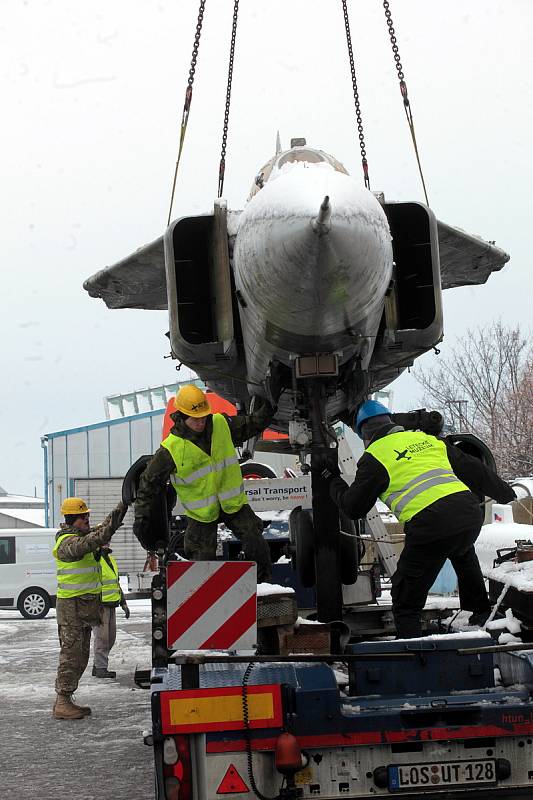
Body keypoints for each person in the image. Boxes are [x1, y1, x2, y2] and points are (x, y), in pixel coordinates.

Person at [322, 400, 516, 639]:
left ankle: (412, 652)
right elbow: (474, 468)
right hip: (468, 514)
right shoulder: (429, 441)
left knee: (406, 599)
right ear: (391, 422)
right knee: (462, 552)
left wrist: (333, 479)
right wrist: (505, 492)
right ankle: (480, 615)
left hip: (430, 525)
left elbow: (353, 508)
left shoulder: (374, 457)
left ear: (365, 434)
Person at [134, 385, 274, 582]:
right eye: (195, 418)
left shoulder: (220, 424)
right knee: (201, 562)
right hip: (201, 514)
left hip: (233, 504)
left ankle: (262, 588)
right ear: (182, 417)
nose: (201, 422)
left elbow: (252, 424)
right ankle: (205, 601)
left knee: (256, 544)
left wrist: (271, 400)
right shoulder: (170, 450)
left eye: (203, 417)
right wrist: (141, 518)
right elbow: (147, 485)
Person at [52, 497, 128, 720]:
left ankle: (67, 700)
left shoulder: (81, 535)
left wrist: (122, 506)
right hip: (71, 610)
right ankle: (62, 702)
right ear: (73, 519)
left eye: (87, 515)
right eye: (83, 516)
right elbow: (93, 540)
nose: (87, 519)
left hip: (83, 609)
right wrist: (108, 529)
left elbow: (103, 528)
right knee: (71, 656)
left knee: (82, 656)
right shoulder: (67, 543)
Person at [91, 544, 130, 679]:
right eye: (103, 541)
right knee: (102, 638)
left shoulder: (110, 560)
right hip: (100, 606)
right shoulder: (95, 560)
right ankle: (101, 668)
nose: (107, 543)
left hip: (111, 604)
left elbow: (115, 584)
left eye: (108, 540)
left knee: (110, 638)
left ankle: (97, 665)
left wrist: (123, 603)